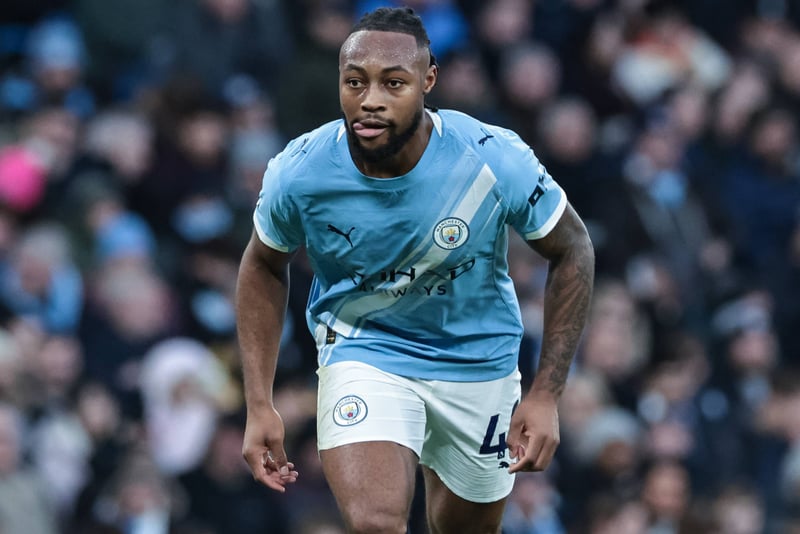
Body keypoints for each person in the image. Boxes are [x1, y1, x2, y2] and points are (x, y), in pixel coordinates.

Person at [236, 7, 595, 533]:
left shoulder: (491, 157)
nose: (370, 99)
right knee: (377, 524)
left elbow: (573, 248)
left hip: (478, 361)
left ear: (428, 81)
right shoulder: (300, 170)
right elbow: (263, 263)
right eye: (355, 82)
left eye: (393, 83)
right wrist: (259, 402)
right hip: (364, 349)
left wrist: (545, 395)